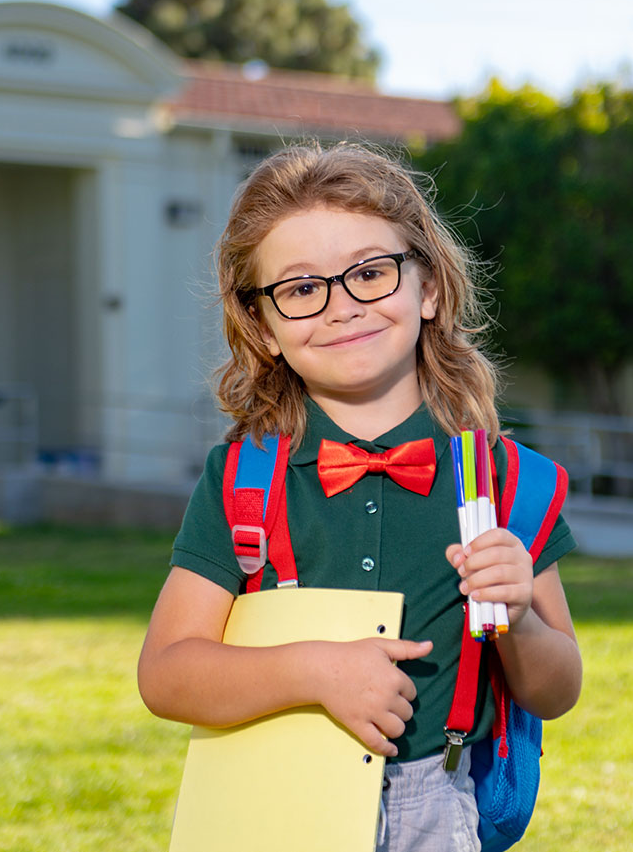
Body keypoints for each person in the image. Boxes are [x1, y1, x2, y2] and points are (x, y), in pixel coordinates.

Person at [138, 141, 582, 852]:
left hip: (439, 808)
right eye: (303, 287)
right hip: (280, 802)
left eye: (371, 272)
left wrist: (520, 618)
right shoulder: (241, 482)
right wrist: (313, 670)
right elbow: (165, 673)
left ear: (428, 287)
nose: (342, 306)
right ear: (263, 324)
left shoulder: (507, 480)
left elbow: (556, 690)